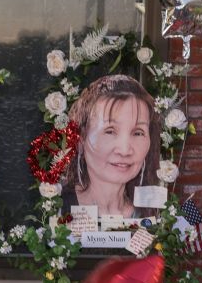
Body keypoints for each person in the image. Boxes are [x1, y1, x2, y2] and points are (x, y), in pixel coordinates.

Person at [61, 74, 161, 218]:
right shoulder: (54, 207)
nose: (125, 150)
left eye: (138, 133)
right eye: (110, 131)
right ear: (81, 138)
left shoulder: (155, 214)